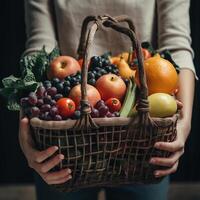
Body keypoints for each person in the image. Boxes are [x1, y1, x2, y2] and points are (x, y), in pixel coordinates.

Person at [19, 0, 196, 199]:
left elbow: (177, 46)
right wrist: (27, 127)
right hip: (66, 138)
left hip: (142, 137)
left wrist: (184, 122)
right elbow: (38, 47)